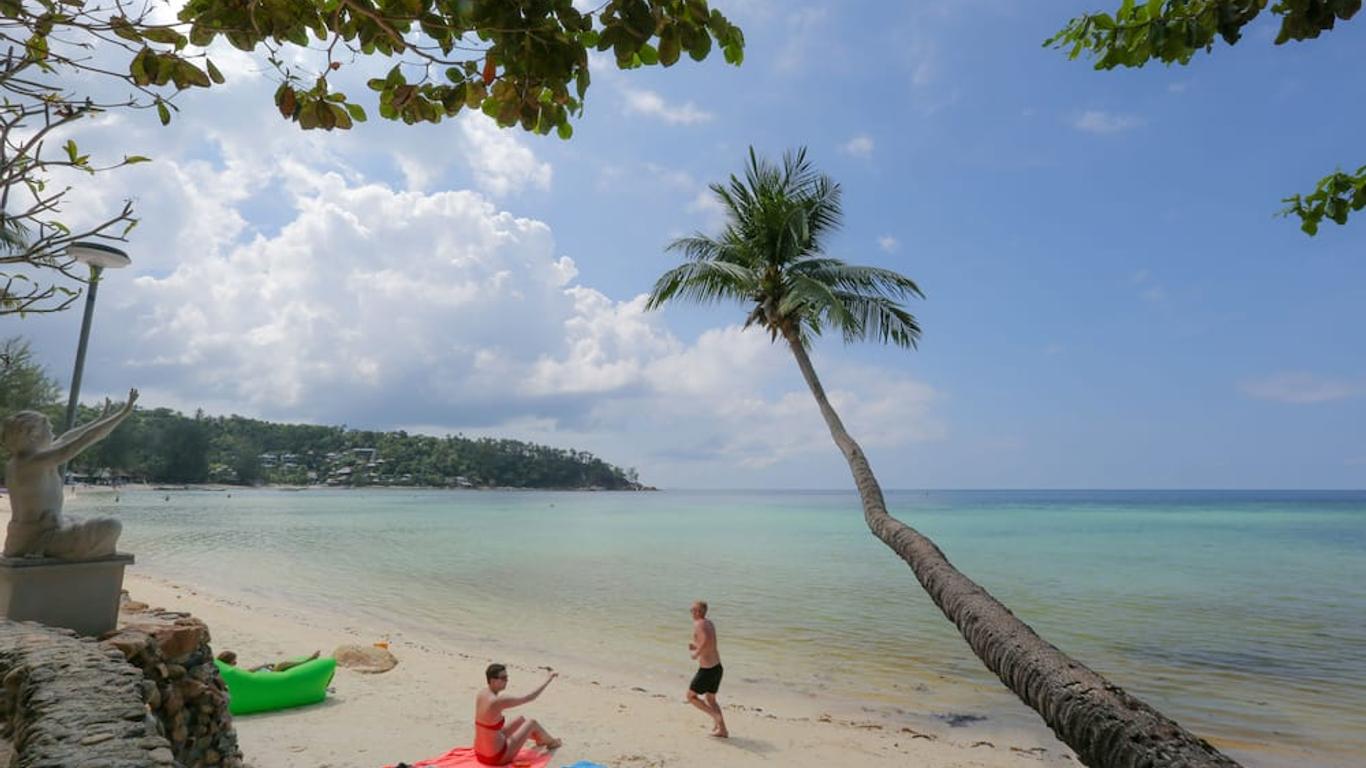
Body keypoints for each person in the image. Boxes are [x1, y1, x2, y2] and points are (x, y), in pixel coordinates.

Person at [474, 663, 561, 765]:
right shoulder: (497, 700)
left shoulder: (482, 693)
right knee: (531, 723)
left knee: (520, 720)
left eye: (507, 677)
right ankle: (552, 743)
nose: (507, 680)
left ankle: (541, 740)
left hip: (479, 753)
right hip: (495, 757)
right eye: (503, 678)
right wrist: (549, 678)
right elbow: (529, 697)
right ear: (493, 680)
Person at [686, 600, 728, 738]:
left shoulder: (699, 624)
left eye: (692, 610)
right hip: (717, 668)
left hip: (708, 670)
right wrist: (696, 646)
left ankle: (715, 716)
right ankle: (723, 730)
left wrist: (695, 654)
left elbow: (706, 640)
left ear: (699, 611)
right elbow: (709, 641)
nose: (691, 612)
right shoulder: (709, 623)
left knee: (691, 696)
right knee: (710, 699)